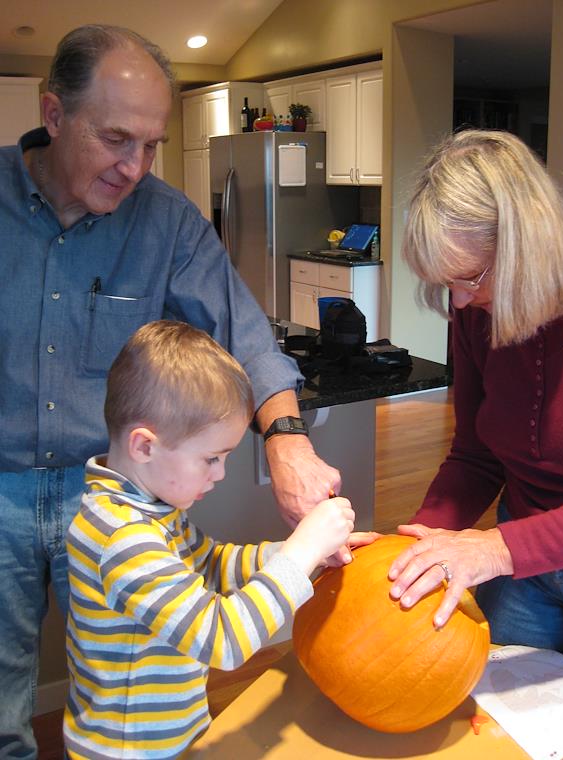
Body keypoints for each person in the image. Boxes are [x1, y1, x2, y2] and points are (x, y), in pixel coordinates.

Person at [0, 24, 343, 757]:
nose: (135, 167)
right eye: (116, 139)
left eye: (152, 145)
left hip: (102, 481)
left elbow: (245, 333)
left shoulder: (166, 220)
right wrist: (297, 558)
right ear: (54, 114)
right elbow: (222, 638)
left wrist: (287, 446)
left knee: (111, 669)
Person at [64, 320, 377, 758]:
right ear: (144, 446)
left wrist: (304, 556)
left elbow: (210, 564)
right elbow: (223, 641)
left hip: (172, 733)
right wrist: (302, 549)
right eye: (211, 458)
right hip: (130, 750)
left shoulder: (148, 510)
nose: (220, 474)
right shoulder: (123, 538)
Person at [387, 129, 563, 654]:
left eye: (472, 277)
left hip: (513, 547)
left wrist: (496, 549)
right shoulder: (474, 313)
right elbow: (476, 455)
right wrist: (415, 546)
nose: (461, 302)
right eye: (448, 283)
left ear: (527, 245)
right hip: (522, 551)